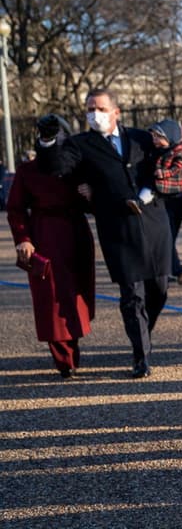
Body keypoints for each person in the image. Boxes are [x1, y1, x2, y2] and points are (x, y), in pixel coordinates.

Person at [37, 88, 171, 378]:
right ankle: (141, 355)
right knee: (131, 295)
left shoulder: (141, 138)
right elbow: (57, 167)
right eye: (88, 108)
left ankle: (143, 332)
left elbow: (167, 163)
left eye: (98, 107)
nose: (92, 113)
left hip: (154, 223)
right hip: (117, 227)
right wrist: (47, 141)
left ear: (115, 112)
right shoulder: (80, 143)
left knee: (159, 290)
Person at [7, 116, 96, 378]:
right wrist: (23, 238)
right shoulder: (27, 171)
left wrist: (90, 194)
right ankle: (64, 359)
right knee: (51, 298)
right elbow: (15, 209)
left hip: (76, 234)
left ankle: (72, 348)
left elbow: (93, 202)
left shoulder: (76, 169)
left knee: (77, 297)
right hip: (44, 236)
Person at [148, 119, 182, 284]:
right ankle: (174, 270)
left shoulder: (179, 152)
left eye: (158, 136)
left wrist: (162, 174)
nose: (155, 140)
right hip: (167, 201)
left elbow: (179, 166)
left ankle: (174, 269)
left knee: (167, 237)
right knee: (167, 238)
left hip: (178, 201)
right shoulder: (157, 152)